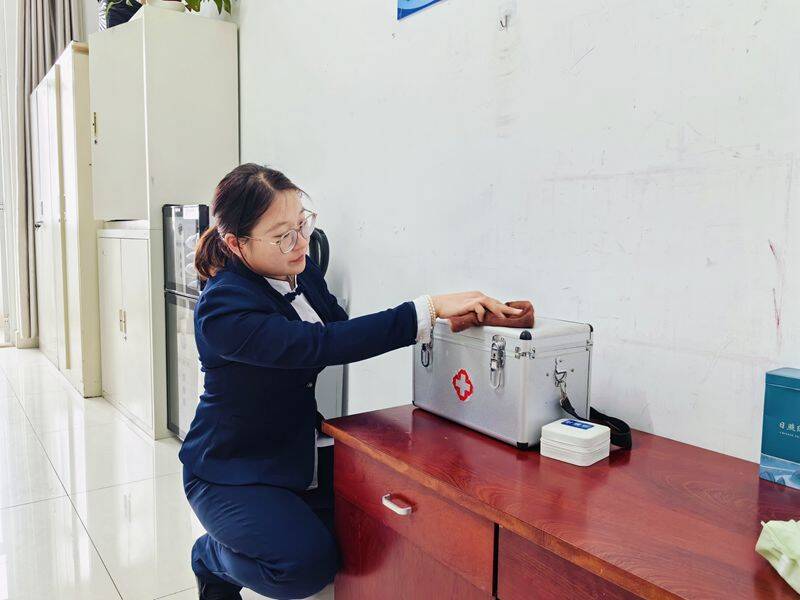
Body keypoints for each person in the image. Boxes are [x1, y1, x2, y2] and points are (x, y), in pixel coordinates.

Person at [180, 163, 522, 600]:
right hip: (230, 468)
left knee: (378, 518)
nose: (301, 243)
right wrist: (427, 308)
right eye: (282, 235)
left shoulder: (300, 272)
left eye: (302, 224)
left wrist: (441, 321)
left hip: (294, 450)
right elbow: (319, 345)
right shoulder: (222, 308)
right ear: (236, 243)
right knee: (304, 567)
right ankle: (210, 558)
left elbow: (339, 330)